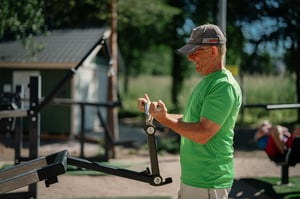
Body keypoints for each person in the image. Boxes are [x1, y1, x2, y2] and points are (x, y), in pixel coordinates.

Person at [137, 24, 242, 199]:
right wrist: (159, 115)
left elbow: (203, 133)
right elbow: (191, 119)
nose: (190, 58)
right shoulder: (209, 81)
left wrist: (165, 120)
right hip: (195, 179)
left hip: (208, 181)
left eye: (195, 52)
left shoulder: (223, 86)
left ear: (213, 52)